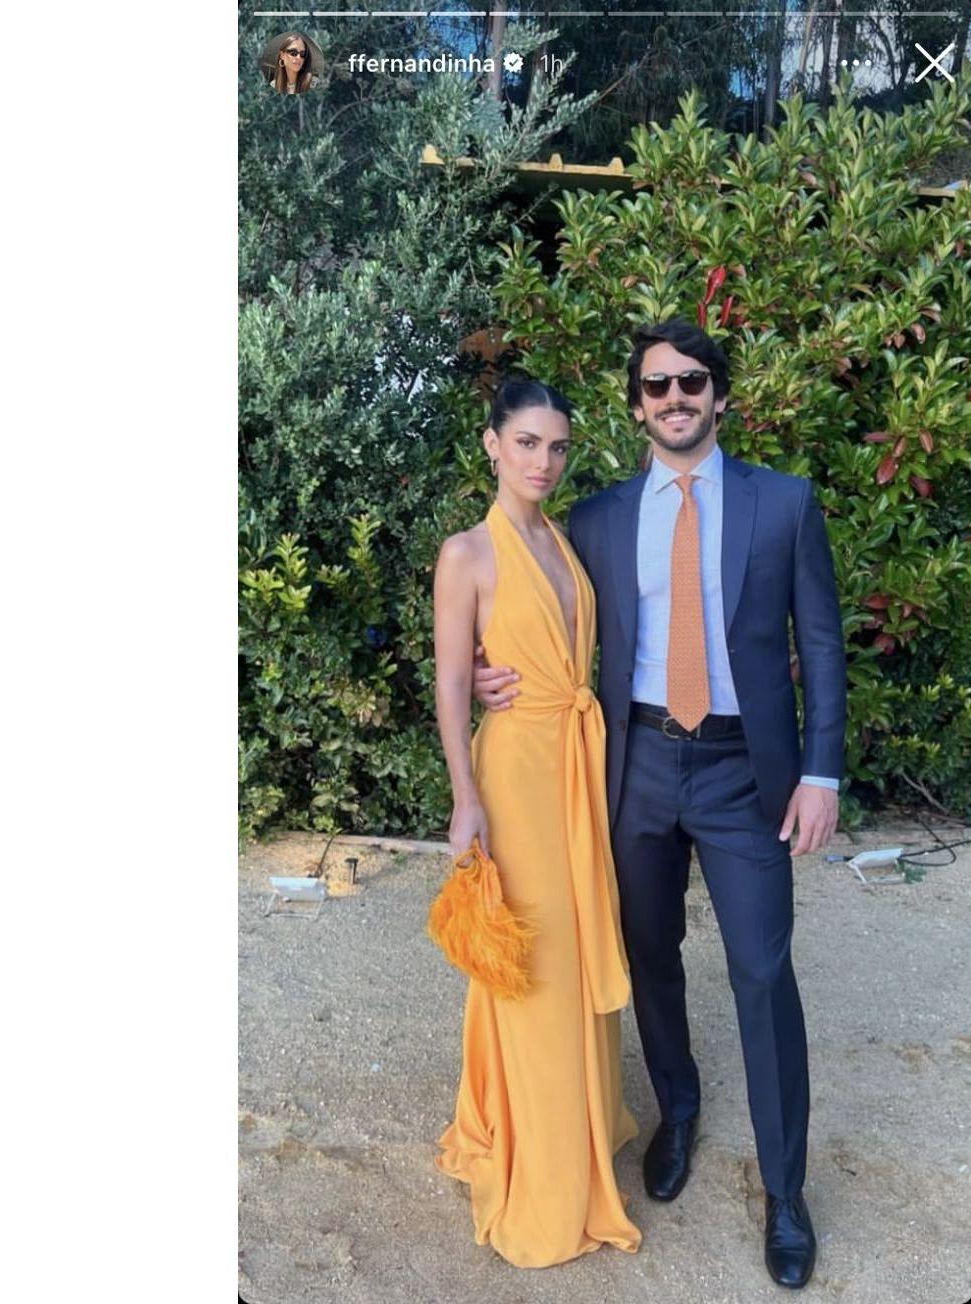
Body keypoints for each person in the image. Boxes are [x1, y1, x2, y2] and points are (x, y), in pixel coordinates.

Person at [474, 320, 847, 1289]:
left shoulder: (783, 503)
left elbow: (820, 641)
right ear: (636, 405)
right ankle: (677, 1110)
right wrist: (485, 671)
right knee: (648, 954)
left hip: (742, 772)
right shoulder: (594, 519)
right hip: (633, 762)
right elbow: (533, 609)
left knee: (761, 971)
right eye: (655, 385)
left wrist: (821, 772)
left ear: (718, 395)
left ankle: (785, 1190)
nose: (673, 397)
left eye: (691, 381)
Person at [431, 378, 641, 1268]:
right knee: (537, 958)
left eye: (557, 447)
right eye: (525, 443)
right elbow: (452, 682)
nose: (543, 462)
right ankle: (548, 1174)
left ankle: (584, 1126)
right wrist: (465, 799)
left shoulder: (564, 539)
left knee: (581, 941)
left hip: (579, 768)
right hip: (515, 774)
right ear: (492, 444)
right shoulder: (467, 553)